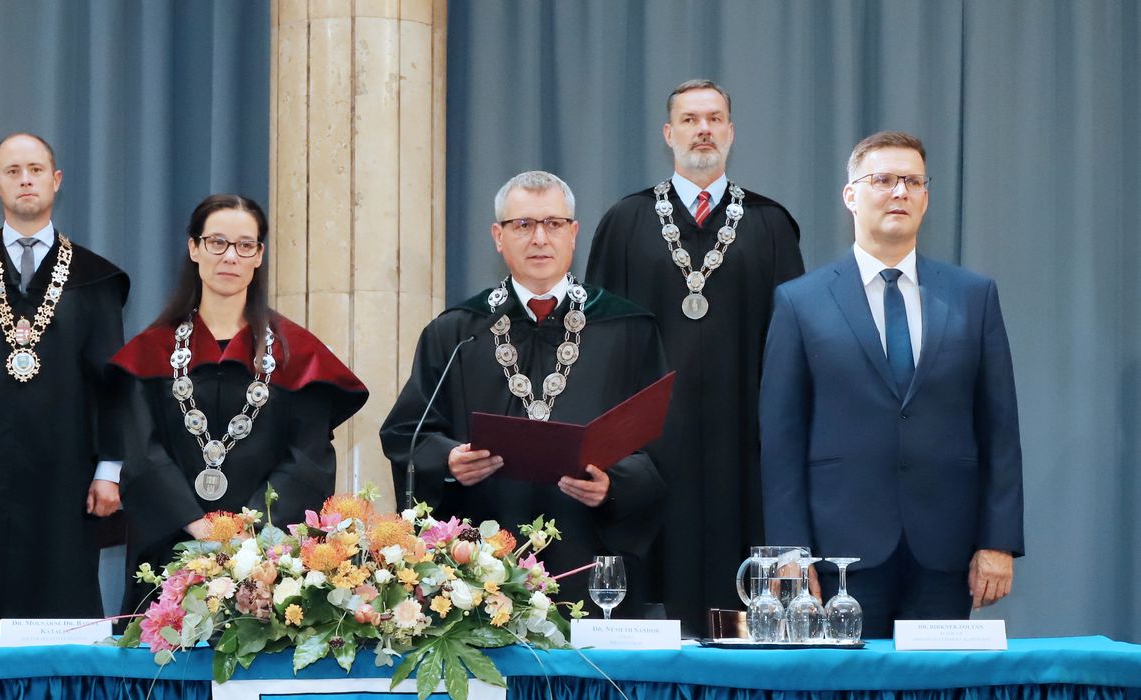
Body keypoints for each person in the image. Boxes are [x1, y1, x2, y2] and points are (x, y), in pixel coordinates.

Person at [760, 131, 1023, 637]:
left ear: (925, 197)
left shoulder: (974, 296)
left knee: (936, 690)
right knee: (848, 688)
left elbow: (1000, 428)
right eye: (882, 179)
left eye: (912, 181)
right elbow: (781, 438)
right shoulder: (800, 302)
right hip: (839, 554)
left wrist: (998, 540)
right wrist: (790, 552)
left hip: (946, 550)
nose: (899, 191)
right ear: (850, 195)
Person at [382, 171, 667, 616]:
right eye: (523, 224)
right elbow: (407, 433)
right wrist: (450, 461)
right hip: (479, 565)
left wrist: (615, 485)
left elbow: (661, 443)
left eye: (553, 223)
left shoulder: (627, 330)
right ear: (498, 237)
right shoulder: (457, 331)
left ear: (574, 233)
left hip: (589, 555)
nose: (539, 238)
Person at [584, 79, 805, 629]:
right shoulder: (625, 222)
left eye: (713, 119)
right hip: (649, 452)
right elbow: (596, 346)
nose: (702, 129)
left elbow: (795, 349)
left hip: (744, 447)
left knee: (743, 612)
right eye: (689, 119)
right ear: (668, 133)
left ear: (731, 131)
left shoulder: (771, 224)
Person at [108, 194, 367, 607]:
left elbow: (307, 459)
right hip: (169, 550)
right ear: (194, 248)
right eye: (217, 242)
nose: (230, 256)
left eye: (245, 245)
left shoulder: (298, 355)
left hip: (267, 560)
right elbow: (142, 453)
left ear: (259, 256)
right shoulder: (151, 352)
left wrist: (250, 533)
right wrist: (197, 526)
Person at [0, 132, 129, 631]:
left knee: (62, 612)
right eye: (12, 171)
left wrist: (110, 469)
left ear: (56, 180)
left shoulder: (96, 278)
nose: (25, 179)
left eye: (35, 170)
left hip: (66, 476)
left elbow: (114, 383)